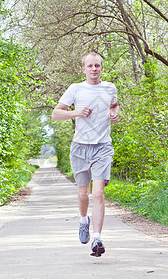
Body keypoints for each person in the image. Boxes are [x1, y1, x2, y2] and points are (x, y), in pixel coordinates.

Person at [51, 52, 119, 257]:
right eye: (90, 66)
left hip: (103, 146)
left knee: (98, 193)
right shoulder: (75, 89)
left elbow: (114, 105)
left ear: (101, 68)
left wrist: (115, 113)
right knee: (83, 194)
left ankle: (97, 237)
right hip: (80, 147)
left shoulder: (110, 88)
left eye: (97, 65)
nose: (94, 69)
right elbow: (55, 114)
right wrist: (76, 113)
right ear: (83, 69)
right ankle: (83, 220)